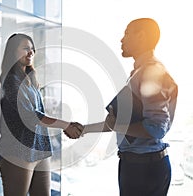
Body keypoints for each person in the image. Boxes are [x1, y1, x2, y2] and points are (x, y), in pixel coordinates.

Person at [78, 18, 178, 195]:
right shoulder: (140, 73)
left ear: (141, 36)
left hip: (144, 170)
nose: (122, 40)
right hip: (137, 166)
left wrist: (117, 125)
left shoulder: (151, 72)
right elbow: (121, 124)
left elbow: (156, 129)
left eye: (127, 34)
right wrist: (84, 129)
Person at [0, 33, 82, 196]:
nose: (30, 53)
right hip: (17, 152)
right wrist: (67, 125)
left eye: (32, 49)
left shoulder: (31, 80)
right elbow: (31, 116)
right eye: (25, 48)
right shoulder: (11, 82)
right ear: (13, 52)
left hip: (40, 148)